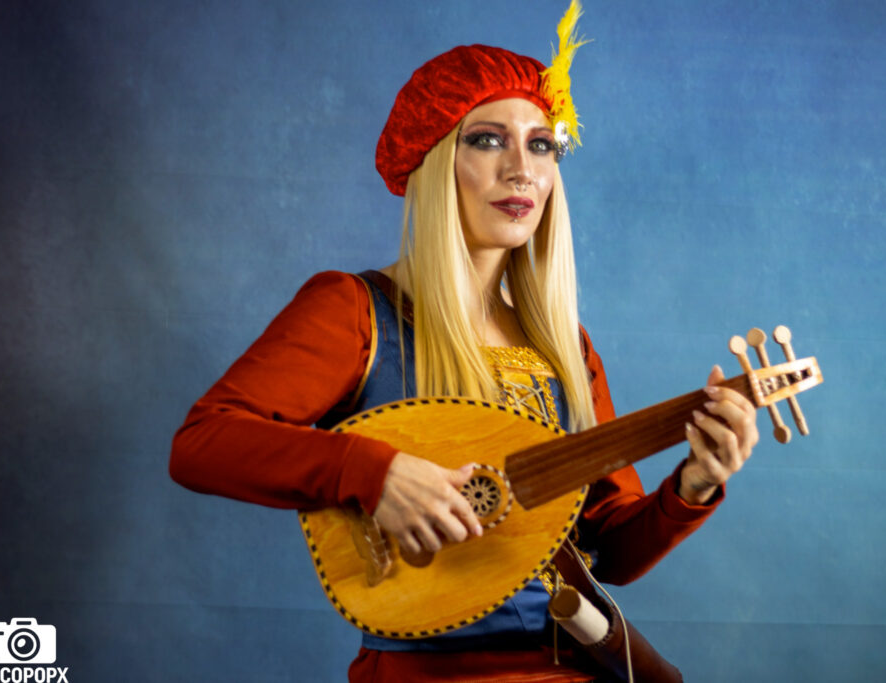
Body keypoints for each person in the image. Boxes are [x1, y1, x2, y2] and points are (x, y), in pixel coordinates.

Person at [170, 2, 759, 680]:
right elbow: (202, 443)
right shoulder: (354, 311)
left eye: (542, 145)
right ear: (435, 160)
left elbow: (608, 553)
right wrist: (372, 473)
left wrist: (694, 483)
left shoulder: (566, 346)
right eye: (487, 140)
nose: (522, 169)